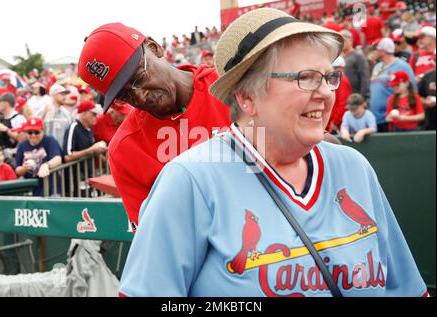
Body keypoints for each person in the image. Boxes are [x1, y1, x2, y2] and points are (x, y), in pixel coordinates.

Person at [118, 8, 428, 297]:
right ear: (247, 97)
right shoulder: (188, 182)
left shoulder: (354, 166)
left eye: (327, 76)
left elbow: (406, 289)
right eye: (304, 78)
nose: (324, 93)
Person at [78, 22, 231, 227]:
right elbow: (157, 240)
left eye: (139, 77)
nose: (140, 97)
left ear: (154, 47)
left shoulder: (231, 88)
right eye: (125, 95)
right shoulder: (125, 150)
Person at [370, 37, 416, 132]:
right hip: (375, 117)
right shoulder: (377, 66)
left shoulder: (402, 66)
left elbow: (413, 89)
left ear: (383, 51)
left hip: (393, 117)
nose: (373, 52)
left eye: (376, 49)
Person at [15, 117, 62, 196]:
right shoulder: (22, 145)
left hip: (49, 186)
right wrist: (24, 168)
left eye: (36, 132)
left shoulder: (49, 140)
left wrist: (46, 165)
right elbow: (17, 170)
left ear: (42, 131)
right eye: (30, 132)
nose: (33, 135)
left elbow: (58, 158)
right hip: (31, 187)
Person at [340, 30, 370, 100]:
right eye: (339, 41)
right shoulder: (338, 57)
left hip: (354, 95)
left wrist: (362, 97)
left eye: (344, 40)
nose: (341, 43)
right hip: (341, 94)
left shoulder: (358, 56)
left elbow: (365, 77)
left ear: (351, 40)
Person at [327, 56, 352, 134]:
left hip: (336, 124)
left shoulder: (342, 80)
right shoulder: (334, 79)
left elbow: (343, 103)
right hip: (330, 120)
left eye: (335, 68)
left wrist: (335, 121)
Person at [43, 83, 72, 148]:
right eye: (62, 94)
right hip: (47, 152)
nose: (65, 97)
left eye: (65, 94)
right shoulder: (44, 110)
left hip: (63, 152)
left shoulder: (67, 113)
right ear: (54, 95)